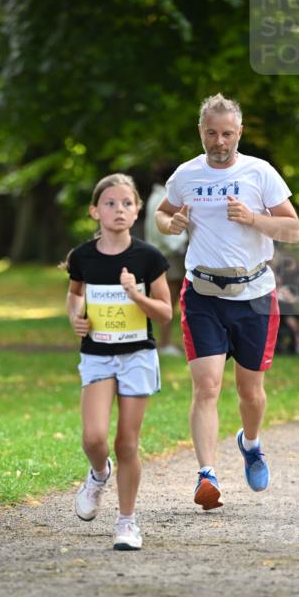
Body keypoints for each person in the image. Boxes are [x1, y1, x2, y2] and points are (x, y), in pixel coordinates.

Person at [155, 93, 299, 510]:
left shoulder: (261, 173)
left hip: (254, 295)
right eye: (211, 133)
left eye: (227, 134)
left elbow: (293, 229)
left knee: (250, 391)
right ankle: (207, 476)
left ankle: (250, 444)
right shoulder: (186, 175)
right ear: (200, 132)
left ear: (240, 133)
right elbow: (164, 216)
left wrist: (253, 219)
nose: (219, 142)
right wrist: (172, 221)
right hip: (202, 294)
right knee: (207, 388)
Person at [65, 173, 172, 550]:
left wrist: (134, 295)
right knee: (94, 438)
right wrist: (75, 317)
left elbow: (165, 313)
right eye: (110, 203)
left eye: (127, 203)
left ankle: (127, 522)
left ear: (138, 209)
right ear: (95, 211)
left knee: (127, 442)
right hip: (97, 355)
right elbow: (75, 296)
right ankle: (98, 474)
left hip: (137, 356)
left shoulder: (148, 257)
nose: (119, 210)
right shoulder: (82, 257)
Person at [144, 181, 188, 355]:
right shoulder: (164, 198)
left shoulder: (155, 196)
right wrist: (184, 239)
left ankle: (164, 342)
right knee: (168, 302)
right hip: (169, 255)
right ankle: (164, 343)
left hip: (162, 254)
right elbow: (165, 233)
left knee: (168, 301)